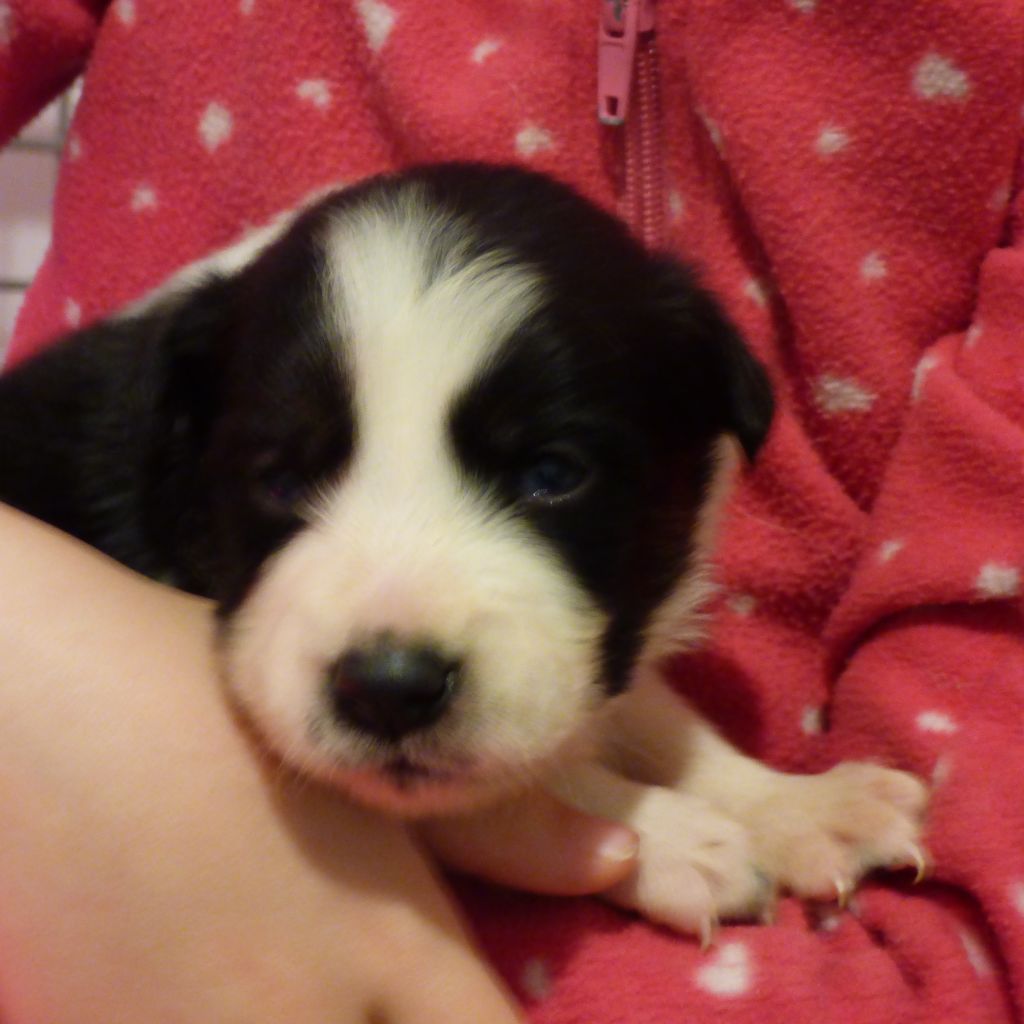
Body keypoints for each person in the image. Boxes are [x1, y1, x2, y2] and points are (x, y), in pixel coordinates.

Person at [2, 2, 1022, 1023]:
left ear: (711, 433)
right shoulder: (174, 379)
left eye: (546, 474)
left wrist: (740, 796)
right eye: (285, 482)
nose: (394, 658)